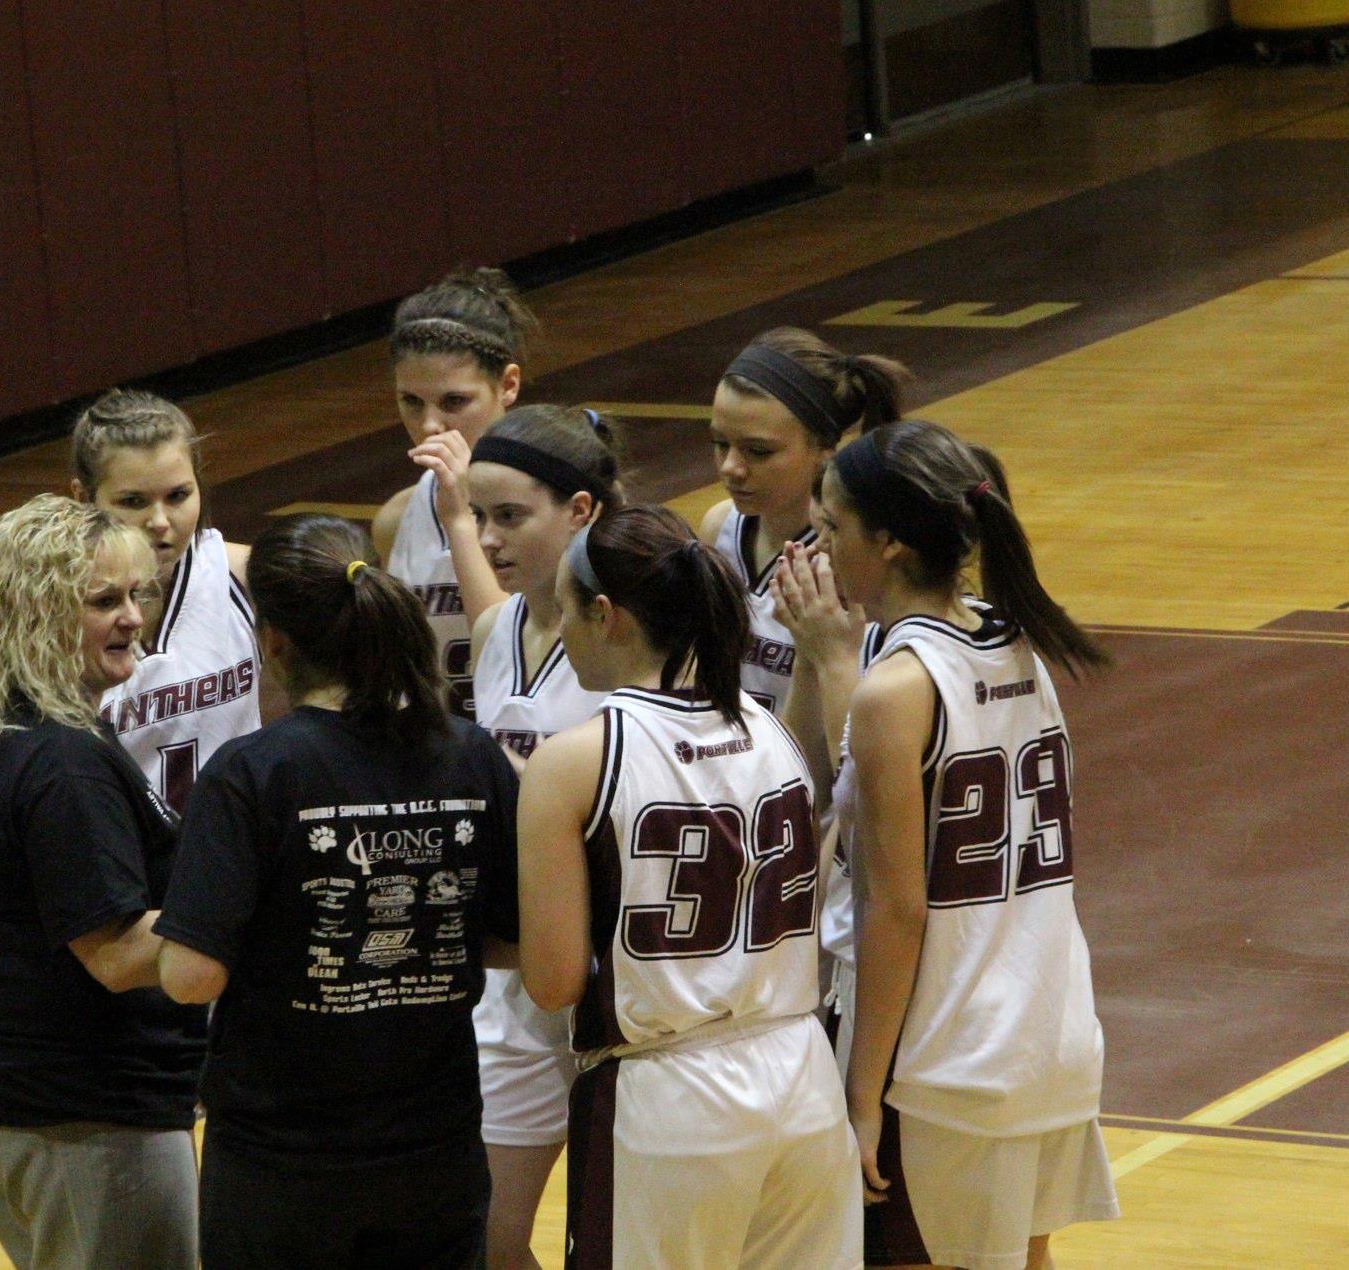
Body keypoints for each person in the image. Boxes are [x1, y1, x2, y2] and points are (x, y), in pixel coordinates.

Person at [780, 420, 1117, 1270]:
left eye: (831, 527)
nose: (820, 547)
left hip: (946, 1057)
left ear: (888, 543)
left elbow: (896, 908)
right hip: (1047, 1029)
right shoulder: (1017, 638)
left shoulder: (895, 690)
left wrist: (862, 1093)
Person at [155, 514, 521, 1269]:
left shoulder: (252, 771)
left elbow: (190, 977)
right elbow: (513, 940)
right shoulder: (472, 754)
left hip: (284, 1157)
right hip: (437, 1143)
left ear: (274, 640)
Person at [517, 505, 862, 1270]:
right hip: (801, 1073)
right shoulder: (769, 728)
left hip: (669, 1097)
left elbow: (553, 981)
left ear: (603, 614)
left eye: (566, 609)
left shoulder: (572, 762)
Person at [0, 495, 204, 1270]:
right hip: (84, 1116)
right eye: (103, 601)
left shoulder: (25, 730)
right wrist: (248, 902)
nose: (132, 619)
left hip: (40, 1106)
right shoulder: (63, 762)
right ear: (37, 616)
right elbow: (114, 954)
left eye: (136, 596)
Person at [463, 406, 620, 1269]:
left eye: (509, 516)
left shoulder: (630, 632)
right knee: (486, 1236)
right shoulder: (494, 633)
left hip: (614, 967)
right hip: (517, 969)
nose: (486, 538)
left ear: (582, 510)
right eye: (478, 516)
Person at [68, 389, 267, 811]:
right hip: (122, 869)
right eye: (133, 502)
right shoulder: (45, 608)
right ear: (84, 499)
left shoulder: (246, 576)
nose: (159, 522)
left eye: (177, 496)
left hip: (232, 863)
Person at [701, 327, 906, 714]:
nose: (730, 467)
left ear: (826, 450)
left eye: (758, 451)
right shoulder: (719, 527)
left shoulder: (855, 555)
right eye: (720, 443)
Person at [373, 267, 534, 716]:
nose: (429, 425)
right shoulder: (396, 520)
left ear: (508, 385)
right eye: (411, 401)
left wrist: (461, 515)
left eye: (453, 402)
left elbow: (508, 649)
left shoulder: (556, 505)